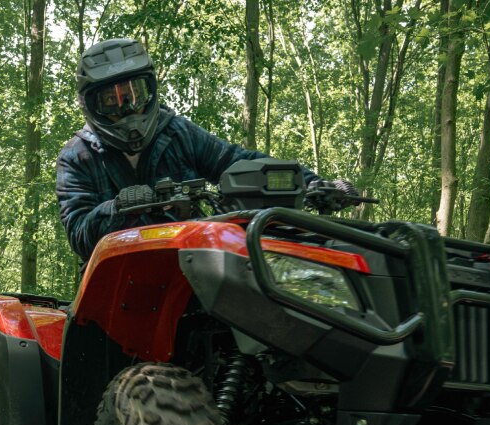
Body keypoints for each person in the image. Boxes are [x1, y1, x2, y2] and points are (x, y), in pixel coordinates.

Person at [55, 38, 354, 261]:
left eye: (136, 94)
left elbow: (238, 161)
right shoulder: (77, 156)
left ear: (151, 90)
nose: (129, 107)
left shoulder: (176, 132)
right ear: (92, 104)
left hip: (187, 264)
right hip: (114, 274)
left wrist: (312, 182)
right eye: (112, 100)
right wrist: (120, 207)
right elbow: (80, 234)